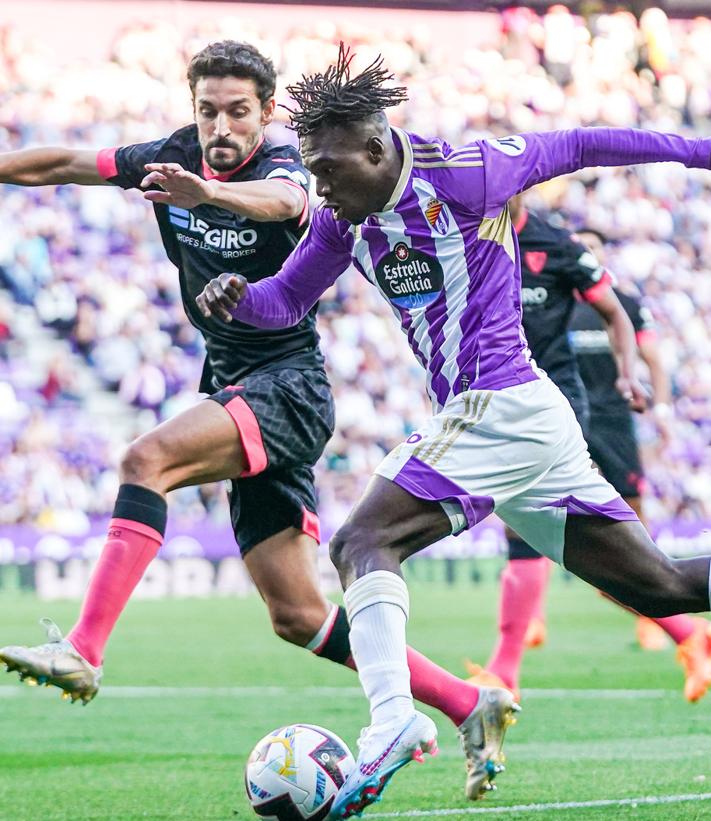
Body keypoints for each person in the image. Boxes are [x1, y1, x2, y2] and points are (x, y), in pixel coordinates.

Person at [196, 45, 711, 818]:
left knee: (360, 542)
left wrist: (699, 151)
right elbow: (284, 303)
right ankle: (399, 716)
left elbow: (577, 144)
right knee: (661, 586)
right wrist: (238, 298)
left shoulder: (465, 172)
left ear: (375, 150)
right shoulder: (342, 220)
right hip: (518, 420)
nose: (319, 187)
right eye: (310, 169)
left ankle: (390, 720)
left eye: (329, 168)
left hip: (498, 402)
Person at [0, 43, 501, 798]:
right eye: (207, 110)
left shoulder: (290, 165)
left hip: (289, 385)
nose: (220, 126)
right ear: (191, 107)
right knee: (298, 615)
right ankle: (469, 701)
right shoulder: (167, 157)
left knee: (146, 461)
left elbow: (284, 204)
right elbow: (64, 163)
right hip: (236, 384)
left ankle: (82, 649)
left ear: (266, 113)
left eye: (238, 111)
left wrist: (205, 194)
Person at [465, 204, 711, 703]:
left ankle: (504, 671)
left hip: (563, 408)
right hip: (505, 401)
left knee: (584, 540)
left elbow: (623, 319)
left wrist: (633, 378)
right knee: (595, 554)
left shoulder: (556, 247)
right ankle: (687, 635)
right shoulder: (470, 238)